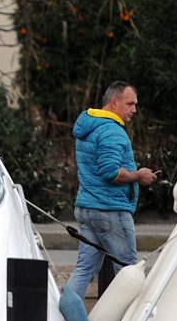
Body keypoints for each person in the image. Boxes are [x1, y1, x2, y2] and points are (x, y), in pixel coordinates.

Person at [64, 81, 158, 301]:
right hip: (110, 210)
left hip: (88, 207)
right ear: (114, 102)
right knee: (128, 271)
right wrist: (139, 175)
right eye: (130, 104)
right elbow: (111, 172)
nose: (134, 110)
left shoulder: (90, 125)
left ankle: (62, 319)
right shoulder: (111, 131)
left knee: (84, 269)